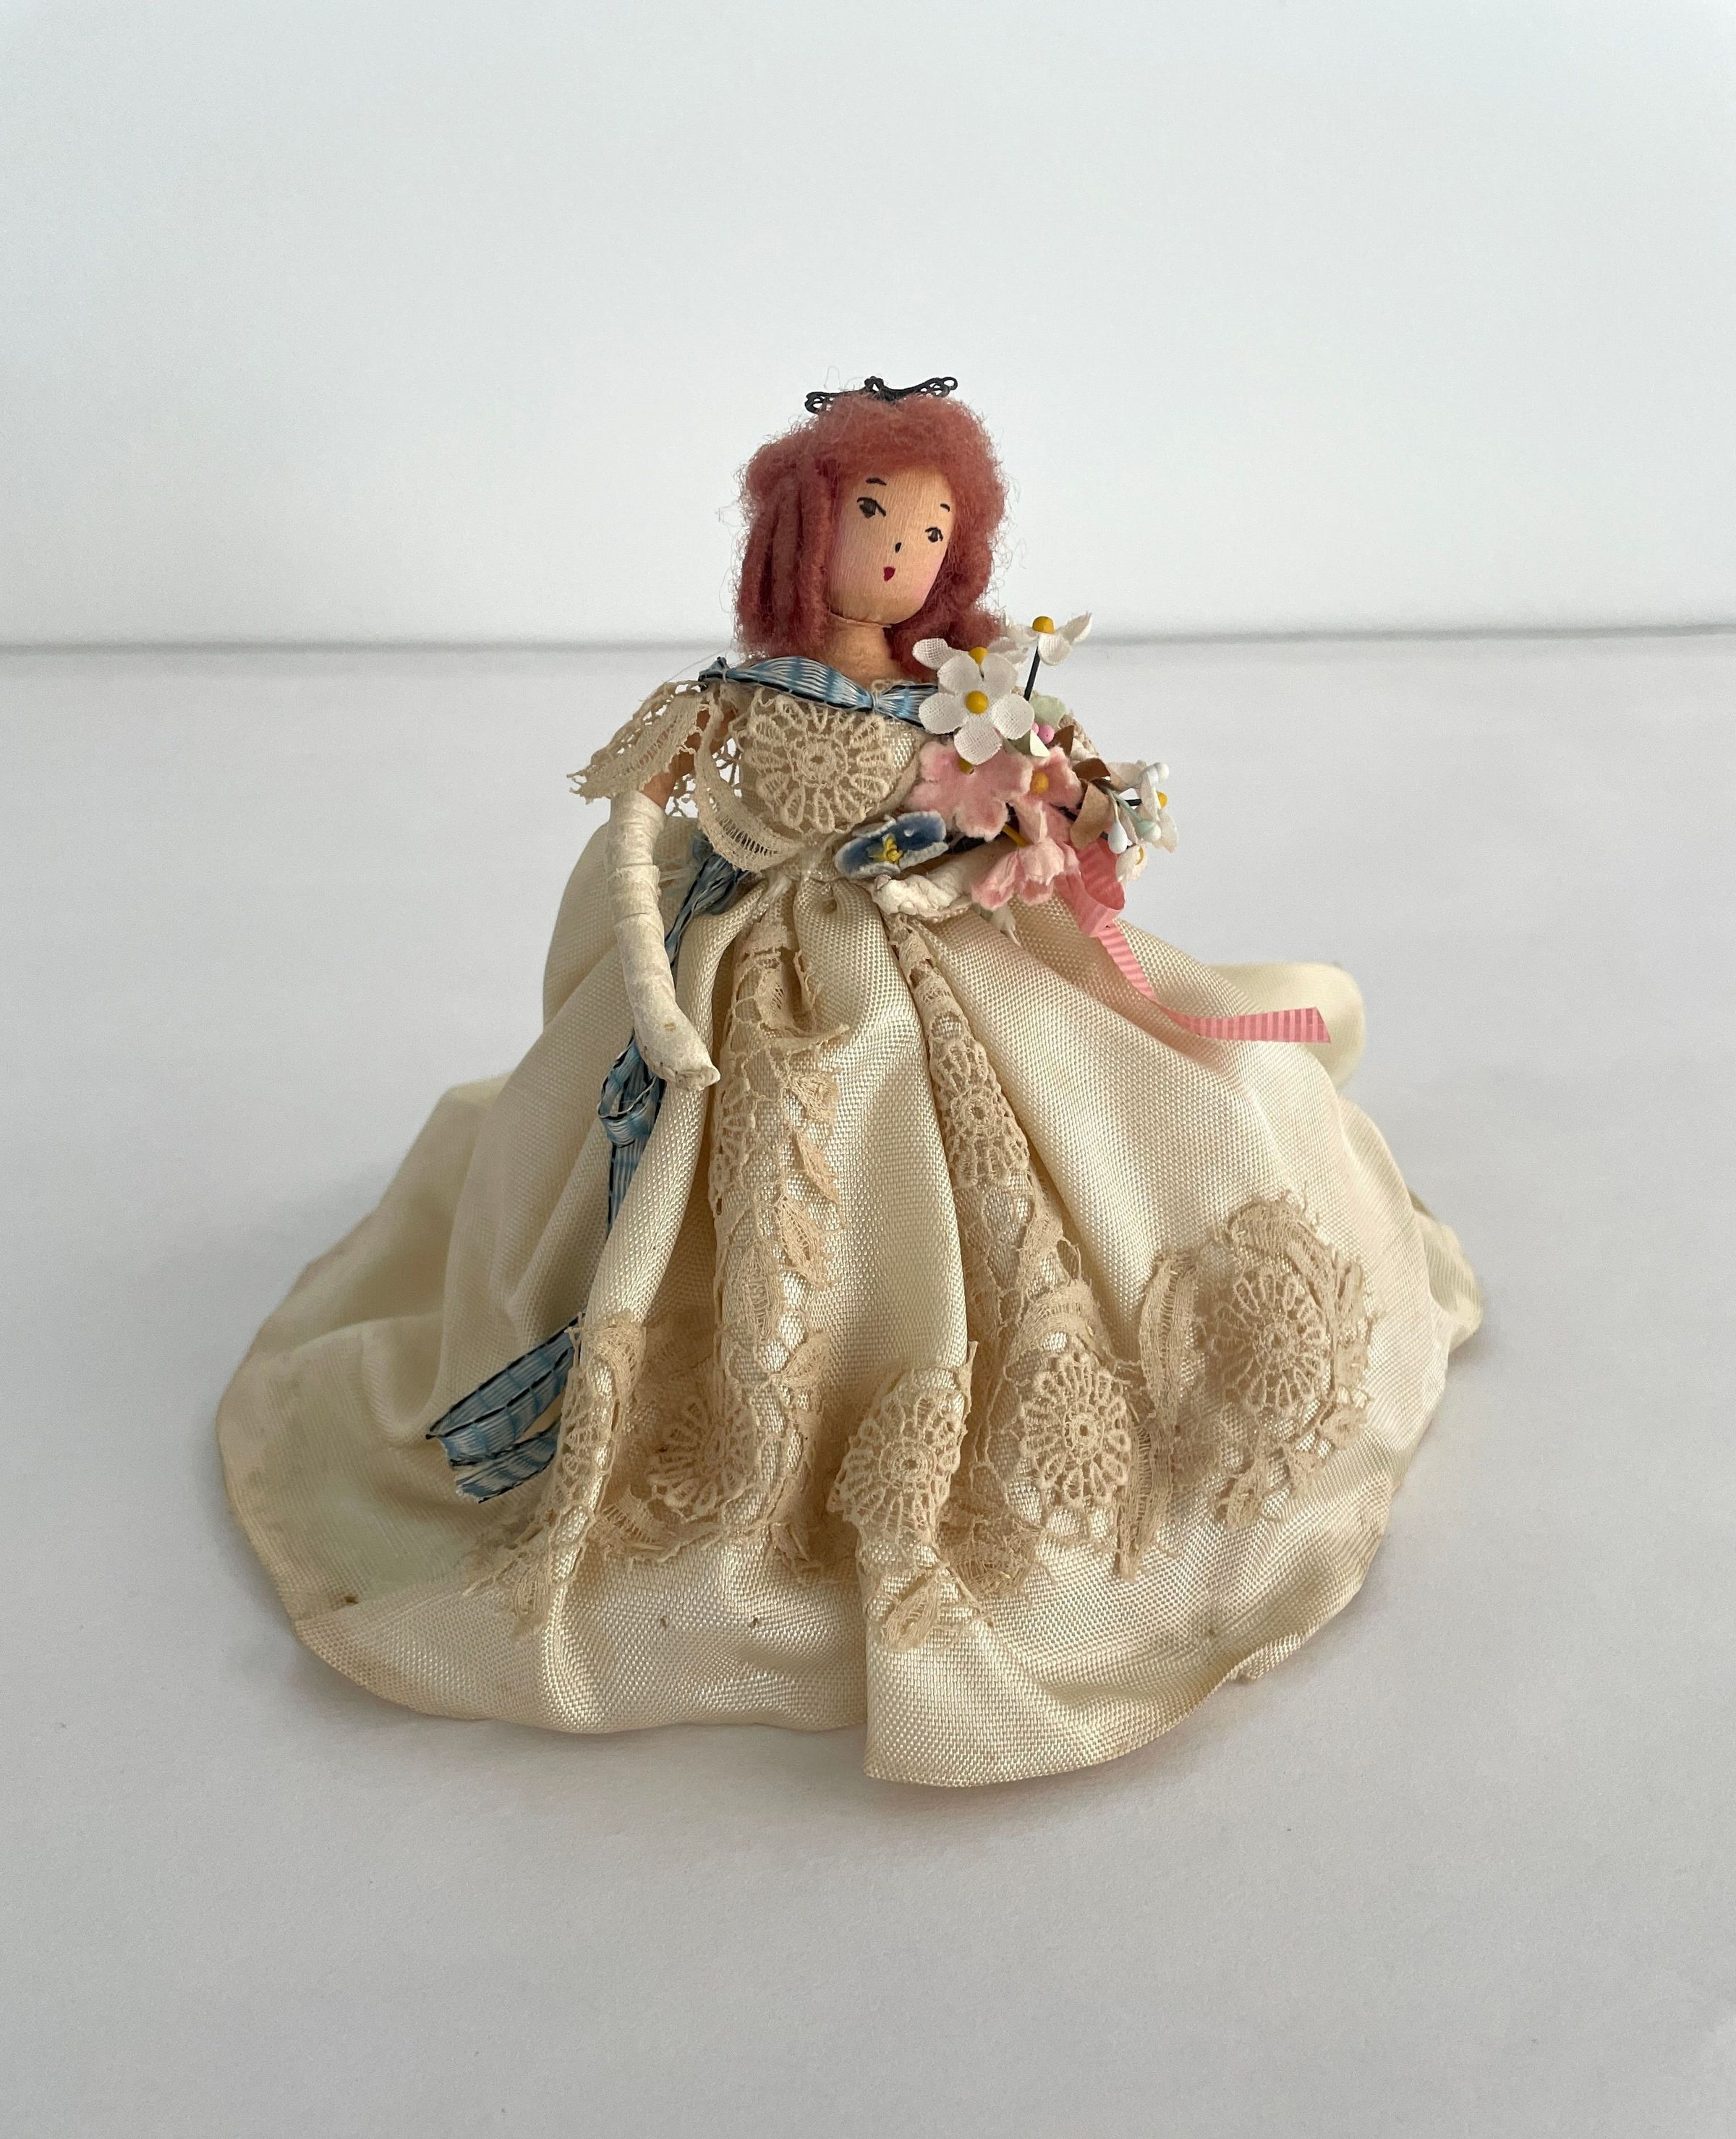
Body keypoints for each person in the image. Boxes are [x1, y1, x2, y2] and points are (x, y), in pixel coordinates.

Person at [218, 377, 1480, 1787]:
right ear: (803, 525)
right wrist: (655, 994)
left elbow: (1001, 810)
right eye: (878, 515)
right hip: (754, 974)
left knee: (1095, 1126)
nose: (904, 553)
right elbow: (636, 832)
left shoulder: (959, 692)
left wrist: (1029, 824)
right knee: (761, 1196)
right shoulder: (736, 699)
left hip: (943, 964)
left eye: (935, 529)